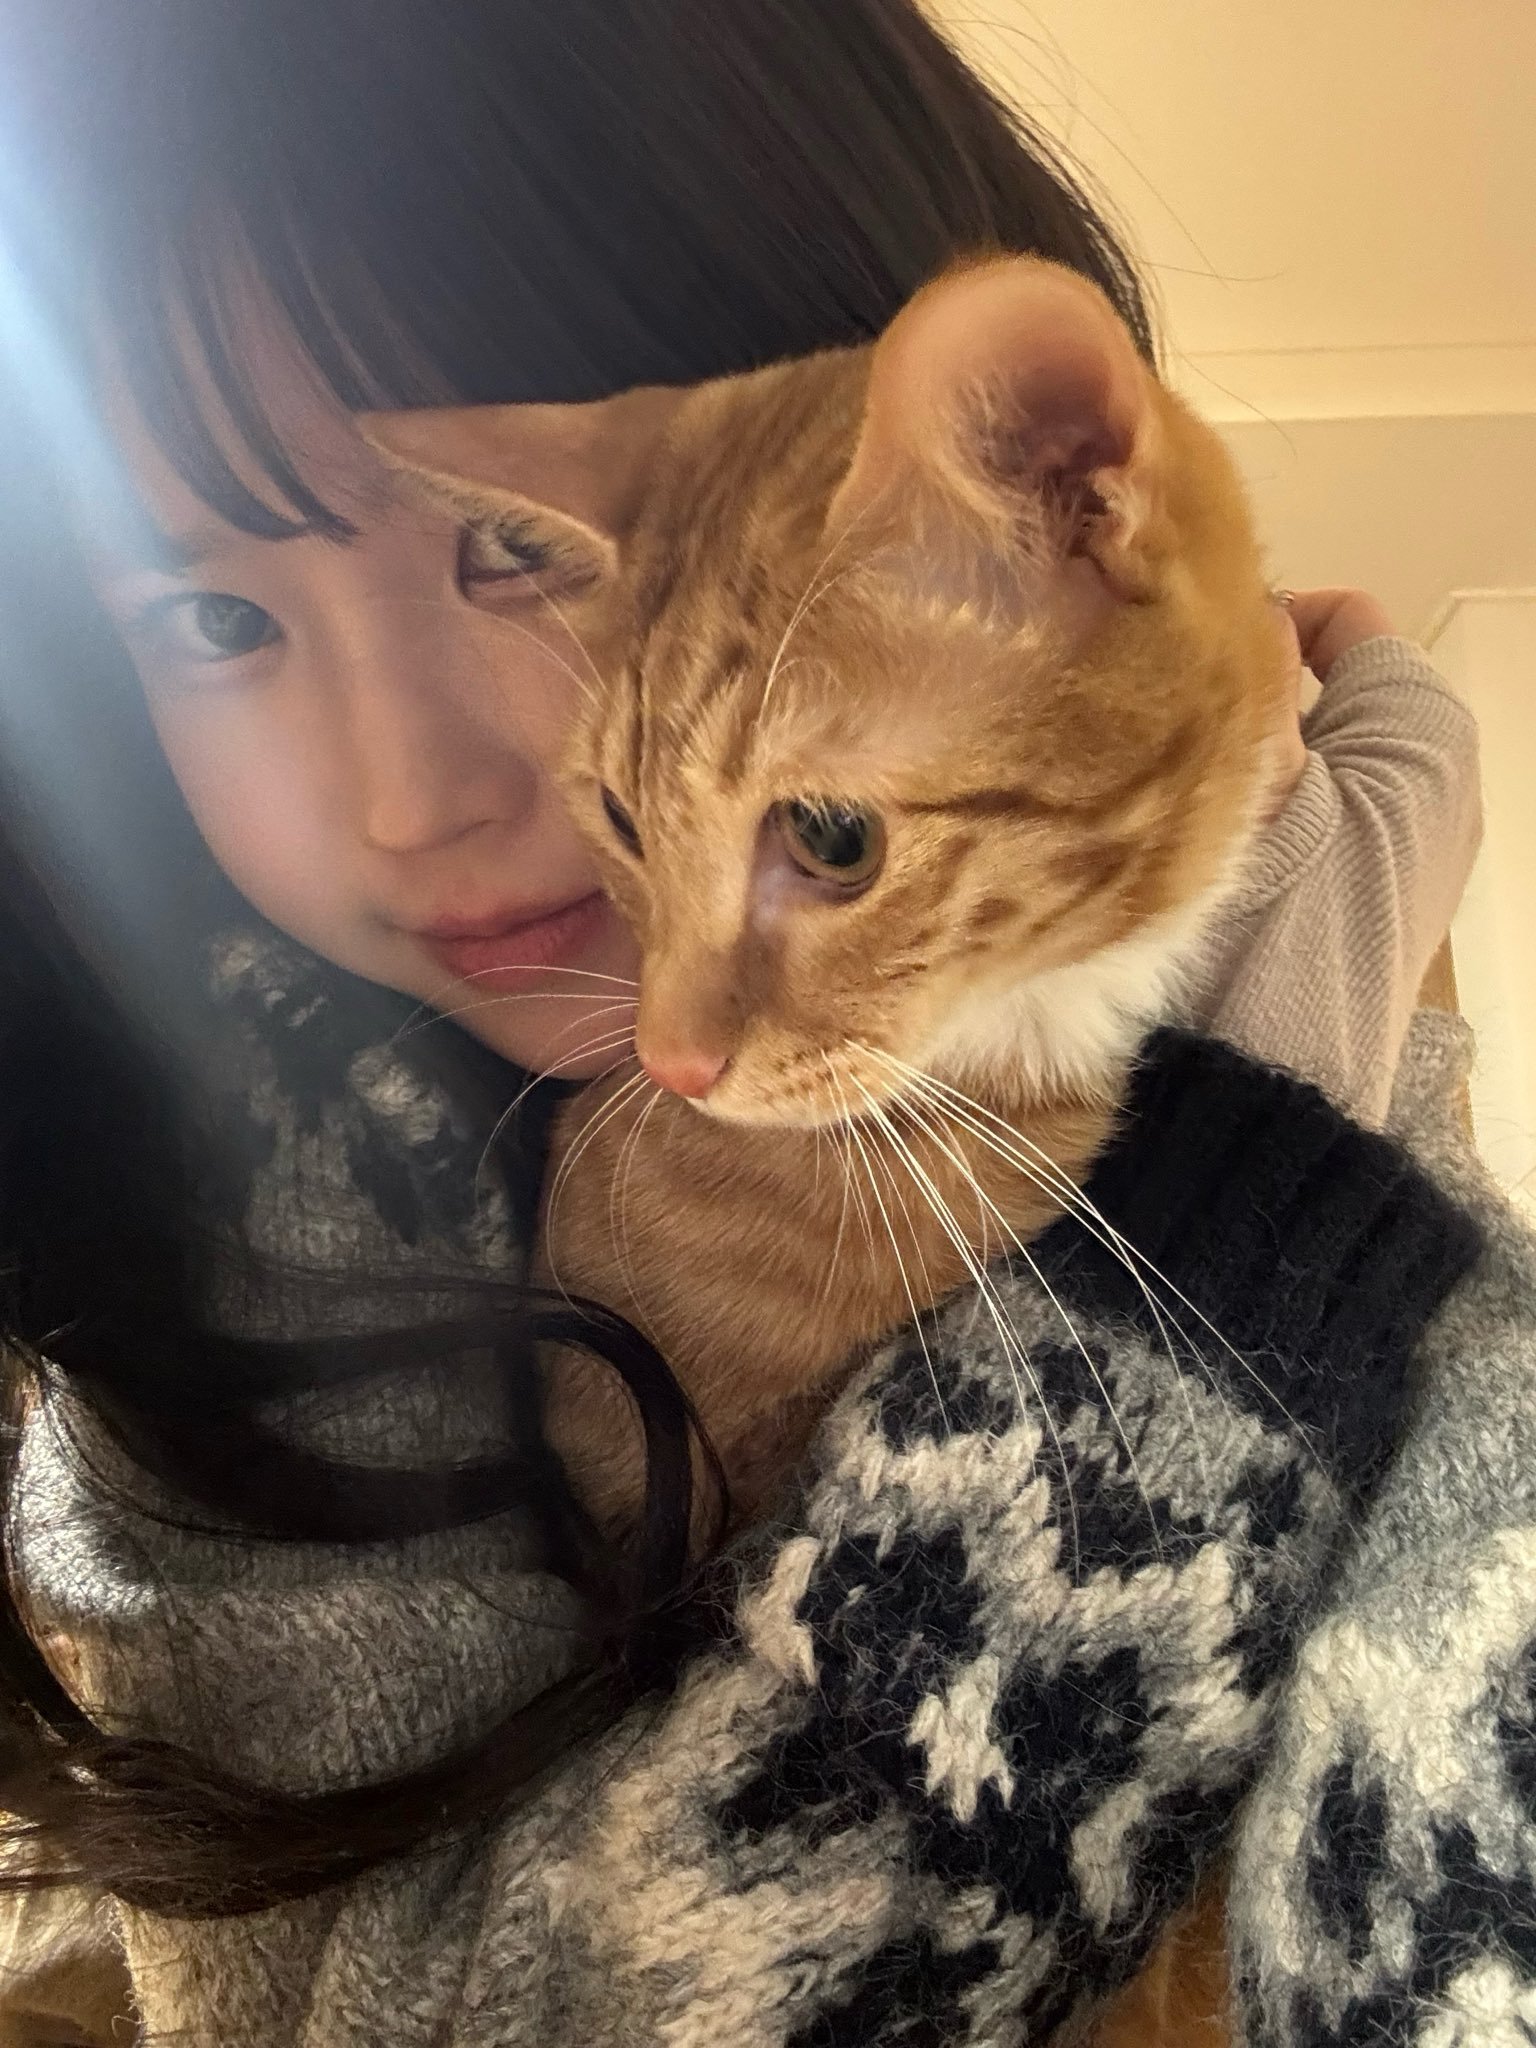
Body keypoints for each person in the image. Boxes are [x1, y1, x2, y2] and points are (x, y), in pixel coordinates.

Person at [0, 6, 1520, 2045]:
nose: (404, 798)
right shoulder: (233, 1263)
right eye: (214, 618)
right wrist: (1247, 1182)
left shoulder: (1084, 860)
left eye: (512, 556)